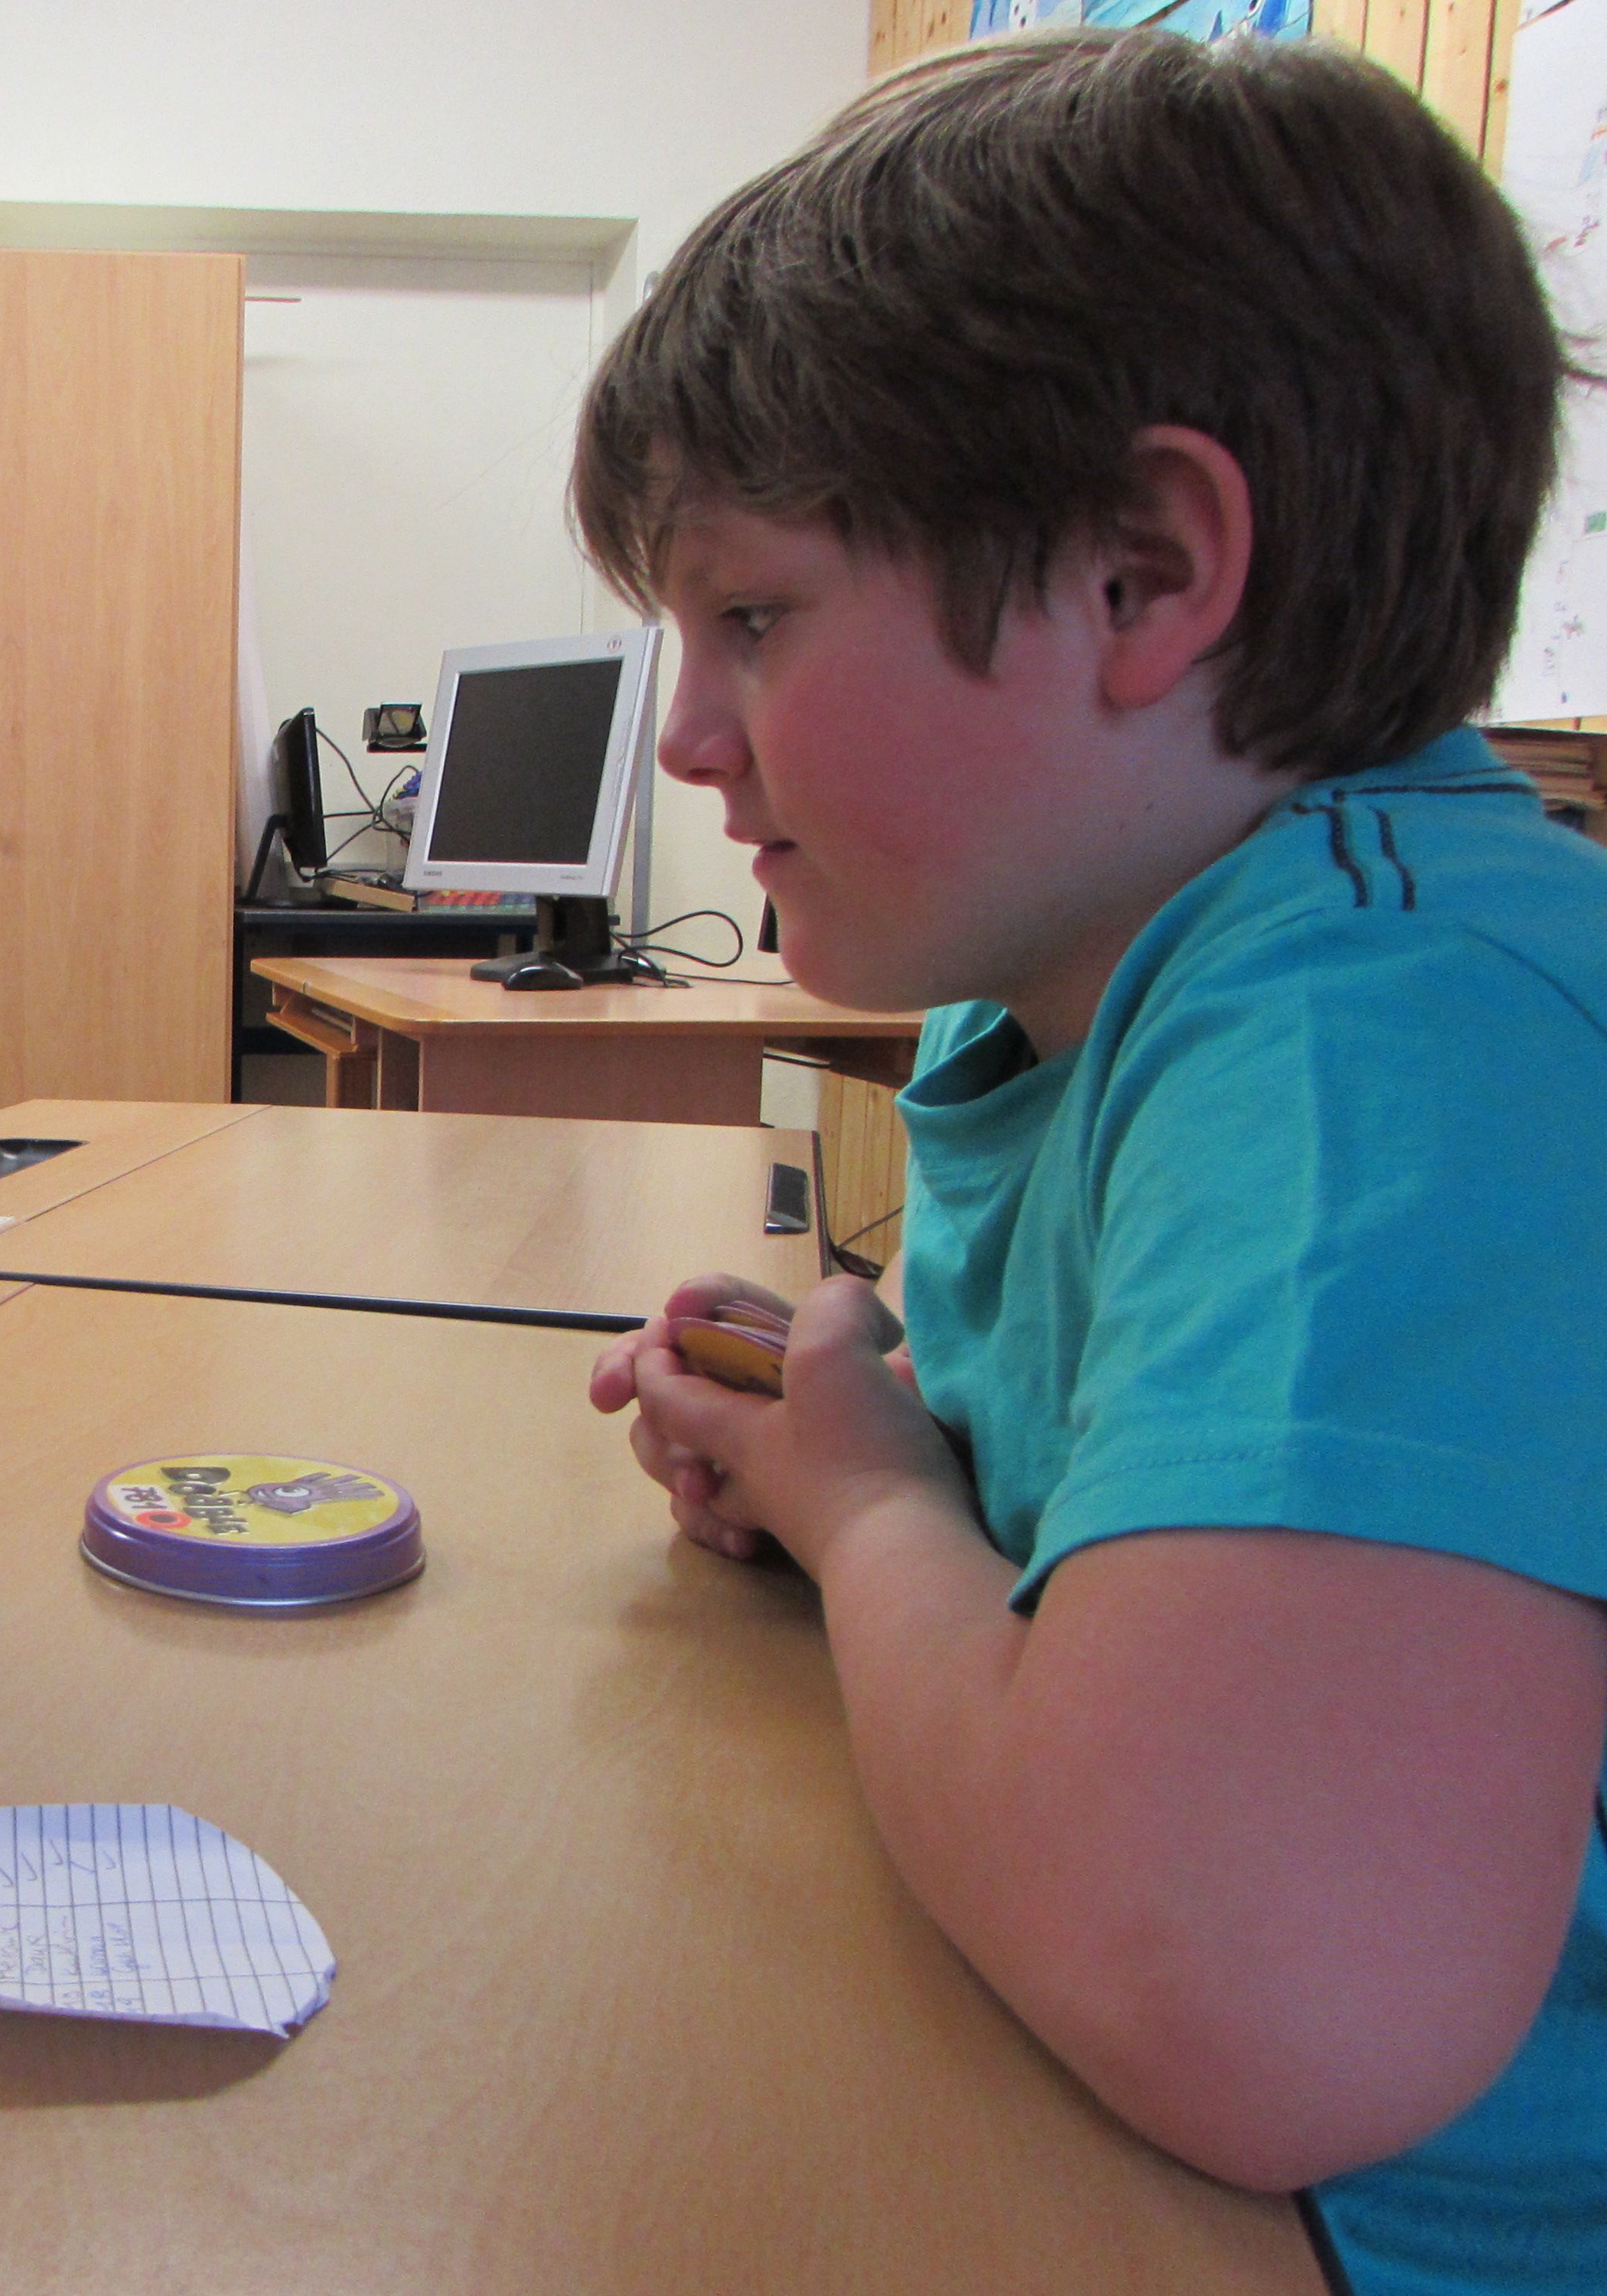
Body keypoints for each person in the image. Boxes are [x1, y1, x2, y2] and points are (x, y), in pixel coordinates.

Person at [574, 31, 1604, 2293]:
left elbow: (1235, 1989)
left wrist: (868, 1513)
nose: (692, 735)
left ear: (1143, 575)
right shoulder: (1077, 990)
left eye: (751, 614)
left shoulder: (1373, 1032)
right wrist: (850, 1435)